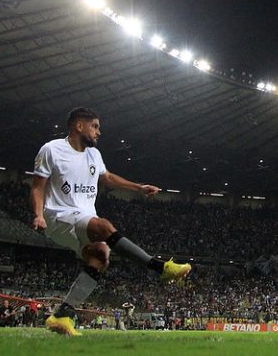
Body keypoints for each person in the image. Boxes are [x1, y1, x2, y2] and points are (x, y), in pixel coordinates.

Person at [30, 107, 191, 336]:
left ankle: (63, 314)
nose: (99, 132)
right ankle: (160, 267)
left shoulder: (94, 155)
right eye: (95, 126)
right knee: (104, 227)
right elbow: (38, 186)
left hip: (84, 217)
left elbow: (106, 178)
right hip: (59, 217)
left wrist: (138, 188)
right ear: (79, 126)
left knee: (101, 257)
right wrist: (38, 214)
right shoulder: (52, 150)